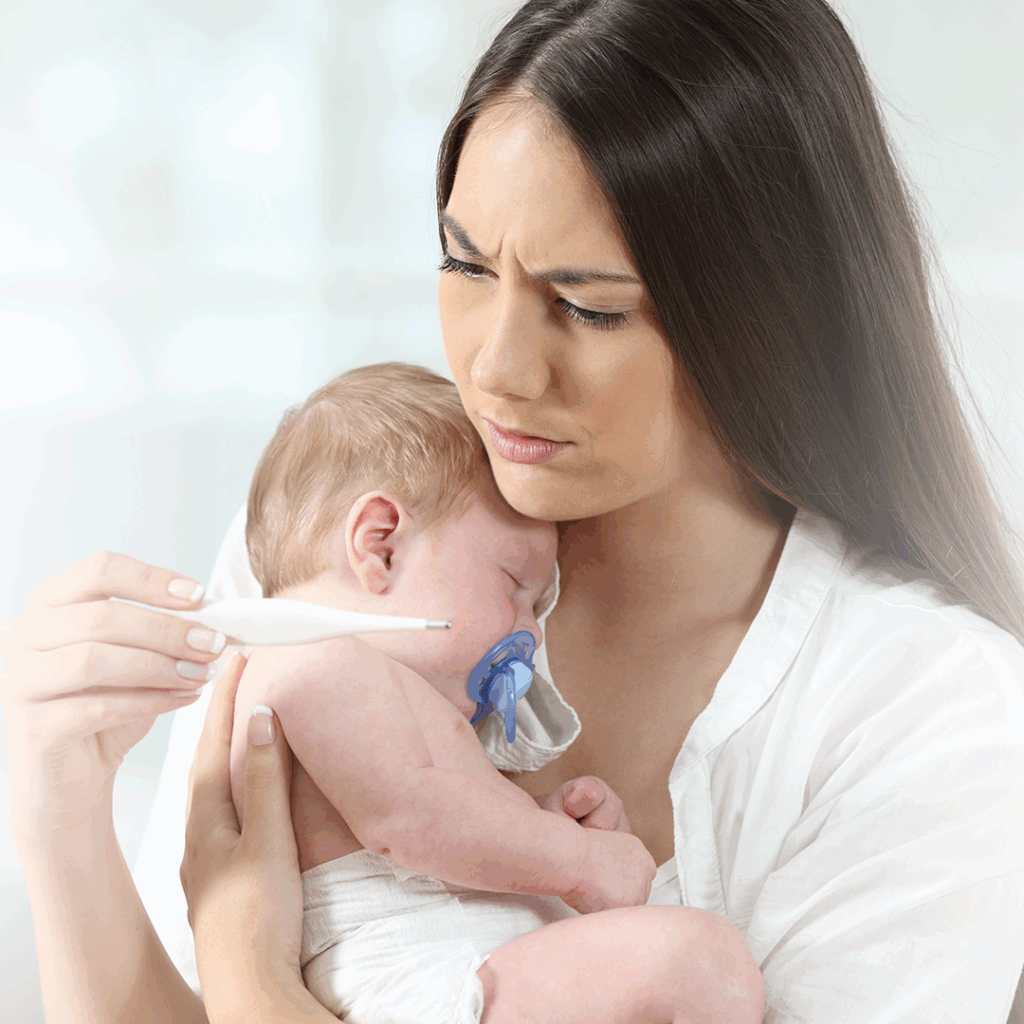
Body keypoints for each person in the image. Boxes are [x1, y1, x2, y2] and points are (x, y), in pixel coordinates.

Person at [4, 1, 1024, 1022]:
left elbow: (233, 979)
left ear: (763, 316)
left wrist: (254, 981)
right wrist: (57, 803)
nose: (494, 367)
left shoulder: (931, 717)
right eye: (465, 264)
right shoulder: (353, 553)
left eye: (586, 306)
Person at [228, 360, 761, 1022]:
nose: (529, 637)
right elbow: (412, 819)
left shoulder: (383, 688)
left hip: (464, 965)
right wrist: (577, 861)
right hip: (422, 979)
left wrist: (539, 819)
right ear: (383, 546)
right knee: (697, 961)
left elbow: (439, 820)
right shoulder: (312, 659)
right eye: (515, 584)